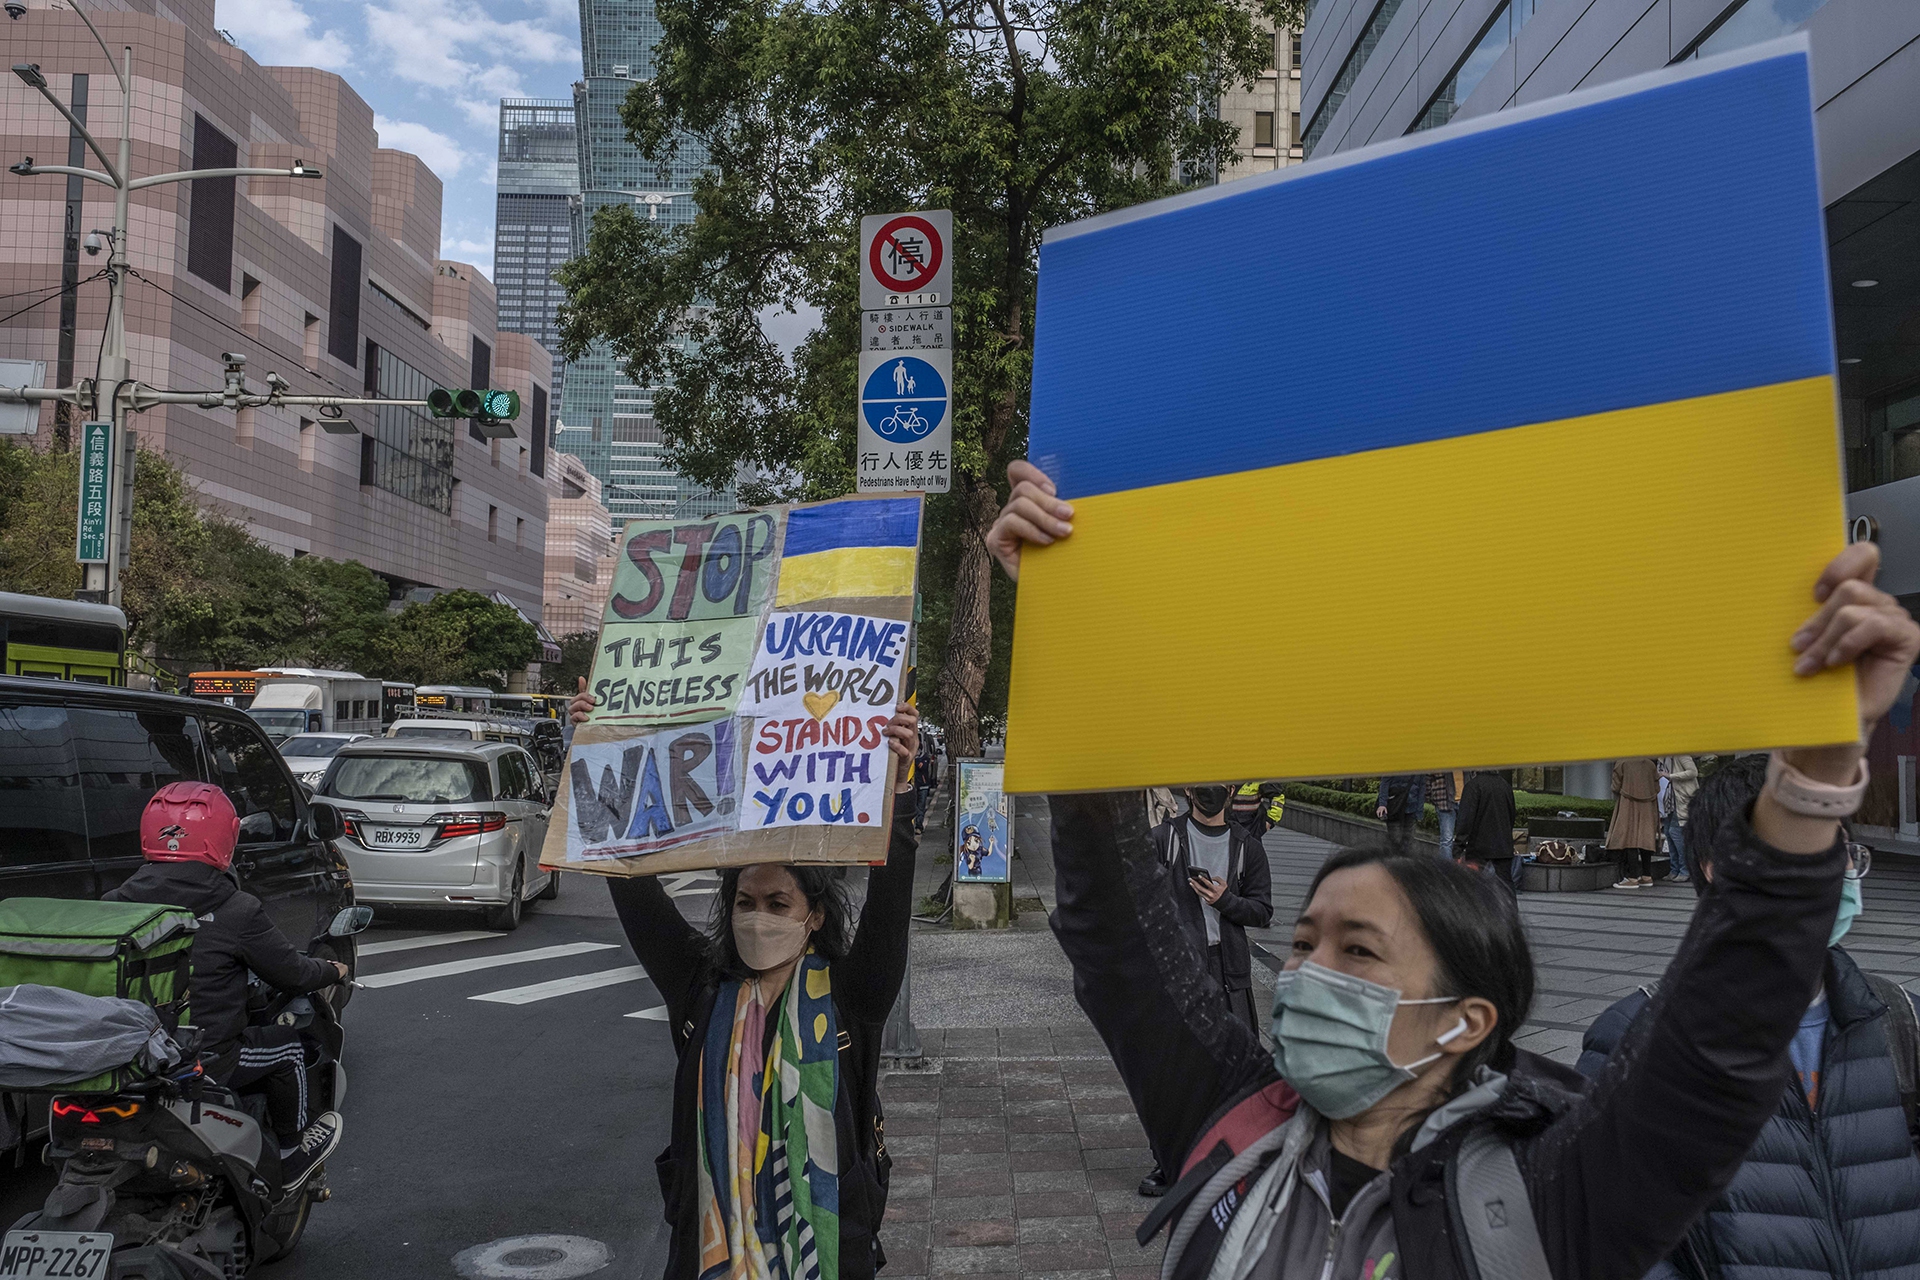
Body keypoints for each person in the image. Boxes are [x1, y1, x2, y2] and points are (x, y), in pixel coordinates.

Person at [986, 457, 1913, 1280]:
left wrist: (1814, 780)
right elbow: (1116, 933)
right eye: (1305, 941)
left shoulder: (1553, 1187)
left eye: (1359, 951)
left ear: (1466, 1020)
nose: (1305, 973)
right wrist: (1070, 632)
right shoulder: (1231, 1117)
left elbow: (1720, 1038)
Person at [568, 686, 922, 1280]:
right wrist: (597, 746)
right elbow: (625, 873)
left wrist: (900, 786)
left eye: (777, 903)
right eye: (745, 901)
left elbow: (891, 900)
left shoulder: (850, 997)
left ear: (814, 916)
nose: (757, 915)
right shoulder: (701, 990)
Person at [1578, 757, 1920, 1279]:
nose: (1838, 873)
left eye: (1844, 852)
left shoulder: (1894, 1015)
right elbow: (1609, 1241)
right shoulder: (1633, 1039)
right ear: (1722, 869)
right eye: (1806, 850)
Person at [105, 782, 346, 1194]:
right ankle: (290, 1157)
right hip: (204, 1061)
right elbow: (294, 974)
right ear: (225, 839)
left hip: (128, 1060)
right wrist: (333, 970)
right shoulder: (236, 908)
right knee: (289, 1048)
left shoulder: (115, 903)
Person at [1136, 782, 1276, 1198]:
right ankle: (1169, 1162)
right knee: (1173, 1070)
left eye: (1218, 783)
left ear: (1231, 790)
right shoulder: (1165, 839)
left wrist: (1224, 900)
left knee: (1235, 1071)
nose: (1210, 791)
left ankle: (1235, 1158)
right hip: (1179, 971)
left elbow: (1263, 910)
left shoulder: (1247, 846)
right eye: (1202, 783)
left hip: (1228, 970)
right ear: (1188, 790)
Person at [1452, 769, 1519, 889]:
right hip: (1503, 844)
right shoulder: (1505, 786)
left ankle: (1475, 908)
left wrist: (1458, 847)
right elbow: (1512, 814)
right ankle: (1510, 908)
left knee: (1473, 884)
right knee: (1506, 884)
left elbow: (1465, 819)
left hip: (1478, 845)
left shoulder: (1473, 786)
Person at [1607, 756, 1661, 888]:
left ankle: (1632, 877)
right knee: (1645, 839)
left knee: (1630, 838)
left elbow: (1615, 785)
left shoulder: (1622, 762)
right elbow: (1657, 787)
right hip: (1648, 804)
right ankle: (1647, 876)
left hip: (1628, 802)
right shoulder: (1650, 764)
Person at [1656, 754, 1699, 883]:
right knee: (1669, 833)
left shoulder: (1681, 755)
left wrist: (1671, 776)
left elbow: (1693, 772)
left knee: (1675, 833)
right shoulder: (1662, 758)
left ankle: (1684, 870)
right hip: (1670, 801)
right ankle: (1675, 870)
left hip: (1681, 800)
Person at [1374, 774, 1425, 852]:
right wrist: (1382, 804)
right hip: (1395, 807)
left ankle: (1404, 862)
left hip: (1411, 808)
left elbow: (1422, 787)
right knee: (1395, 840)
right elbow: (1385, 782)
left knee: (1408, 841)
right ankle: (1393, 860)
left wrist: (1419, 811)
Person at [1428, 772, 1460, 860]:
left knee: (1465, 838)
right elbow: (1428, 777)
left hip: (1465, 800)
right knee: (1447, 839)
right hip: (1444, 802)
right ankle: (1447, 869)